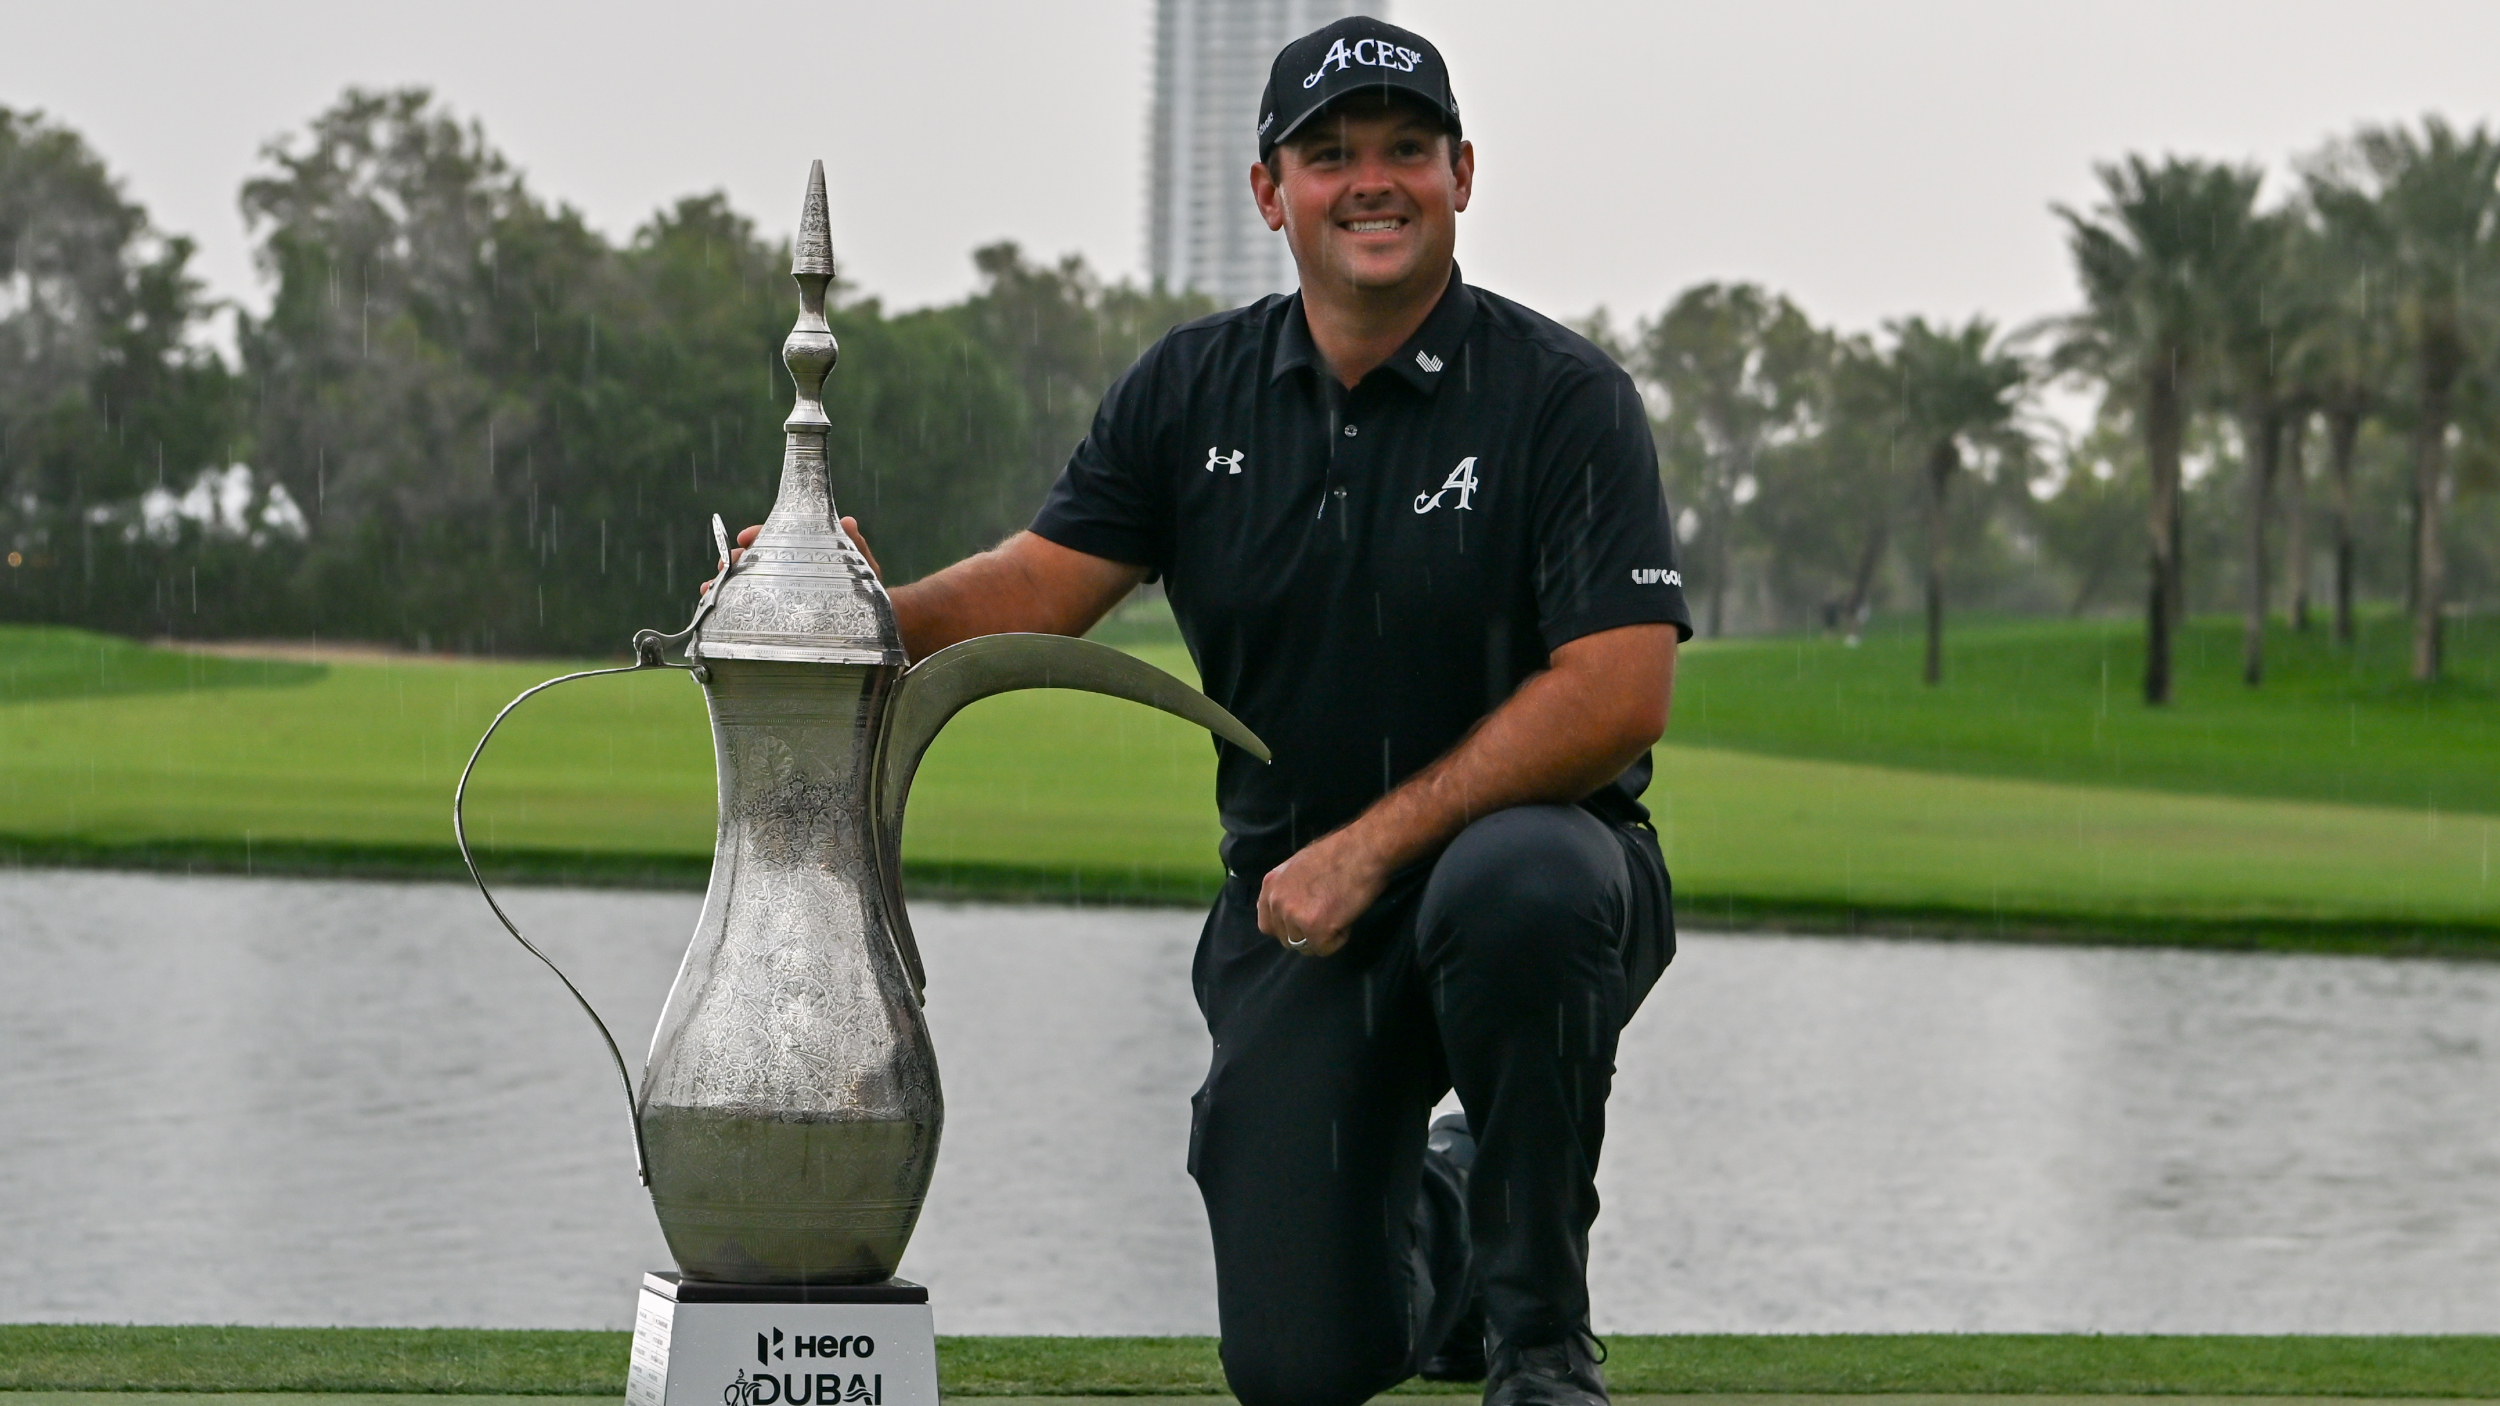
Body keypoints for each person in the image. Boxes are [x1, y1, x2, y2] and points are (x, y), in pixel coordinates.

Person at [729, 18, 1690, 1405]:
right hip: (1299, 915)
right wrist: (836, 600)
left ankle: (1541, 1344)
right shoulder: (1190, 392)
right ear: (1268, 193)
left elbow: (1618, 689)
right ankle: (1455, 1223)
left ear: (1463, 174)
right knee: (1300, 1367)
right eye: (1331, 155)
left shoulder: (1566, 400)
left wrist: (1376, 843)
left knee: (1517, 883)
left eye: (1406, 150)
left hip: (1542, 882)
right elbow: (1041, 586)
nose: (1372, 181)